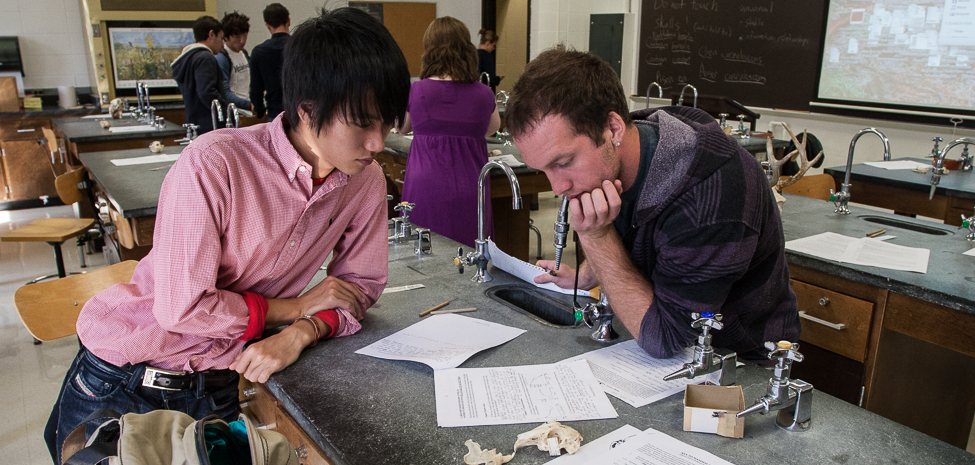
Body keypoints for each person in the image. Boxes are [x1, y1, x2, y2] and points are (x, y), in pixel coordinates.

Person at [44, 7, 410, 463]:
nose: (379, 142)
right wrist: (295, 307)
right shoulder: (216, 164)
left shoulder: (365, 181)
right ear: (307, 109)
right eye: (363, 123)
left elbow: (360, 288)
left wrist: (302, 330)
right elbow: (182, 308)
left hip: (218, 385)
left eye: (388, 123)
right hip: (125, 379)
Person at [506, 48, 800, 361]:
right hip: (657, 344)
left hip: (742, 363)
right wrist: (589, 273)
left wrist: (596, 237)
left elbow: (667, 339)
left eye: (563, 162)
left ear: (613, 128)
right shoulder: (629, 147)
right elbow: (638, 236)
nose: (557, 187)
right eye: (544, 170)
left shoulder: (710, 196)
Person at [398, 17, 501, 247]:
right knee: (473, 255)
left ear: (429, 50)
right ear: (466, 48)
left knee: (423, 255)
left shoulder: (416, 91)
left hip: (424, 187)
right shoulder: (484, 94)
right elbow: (493, 128)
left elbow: (401, 127)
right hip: (469, 187)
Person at [172, 16, 226, 134]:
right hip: (210, 125)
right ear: (211, 34)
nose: (222, 45)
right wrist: (227, 112)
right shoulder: (205, 58)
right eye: (221, 39)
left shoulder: (189, 58)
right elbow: (207, 92)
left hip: (196, 122)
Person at [250, 3, 290, 121]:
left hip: (275, 113)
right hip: (299, 111)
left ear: (267, 25)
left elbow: (256, 88)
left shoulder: (259, 52)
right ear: (289, 21)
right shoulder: (299, 46)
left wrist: (259, 110)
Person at [216, 11, 253, 114]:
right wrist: (249, 105)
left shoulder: (244, 53)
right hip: (235, 112)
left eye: (245, 36)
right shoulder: (222, 58)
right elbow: (225, 94)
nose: (242, 41)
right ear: (226, 37)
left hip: (248, 111)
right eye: (237, 37)